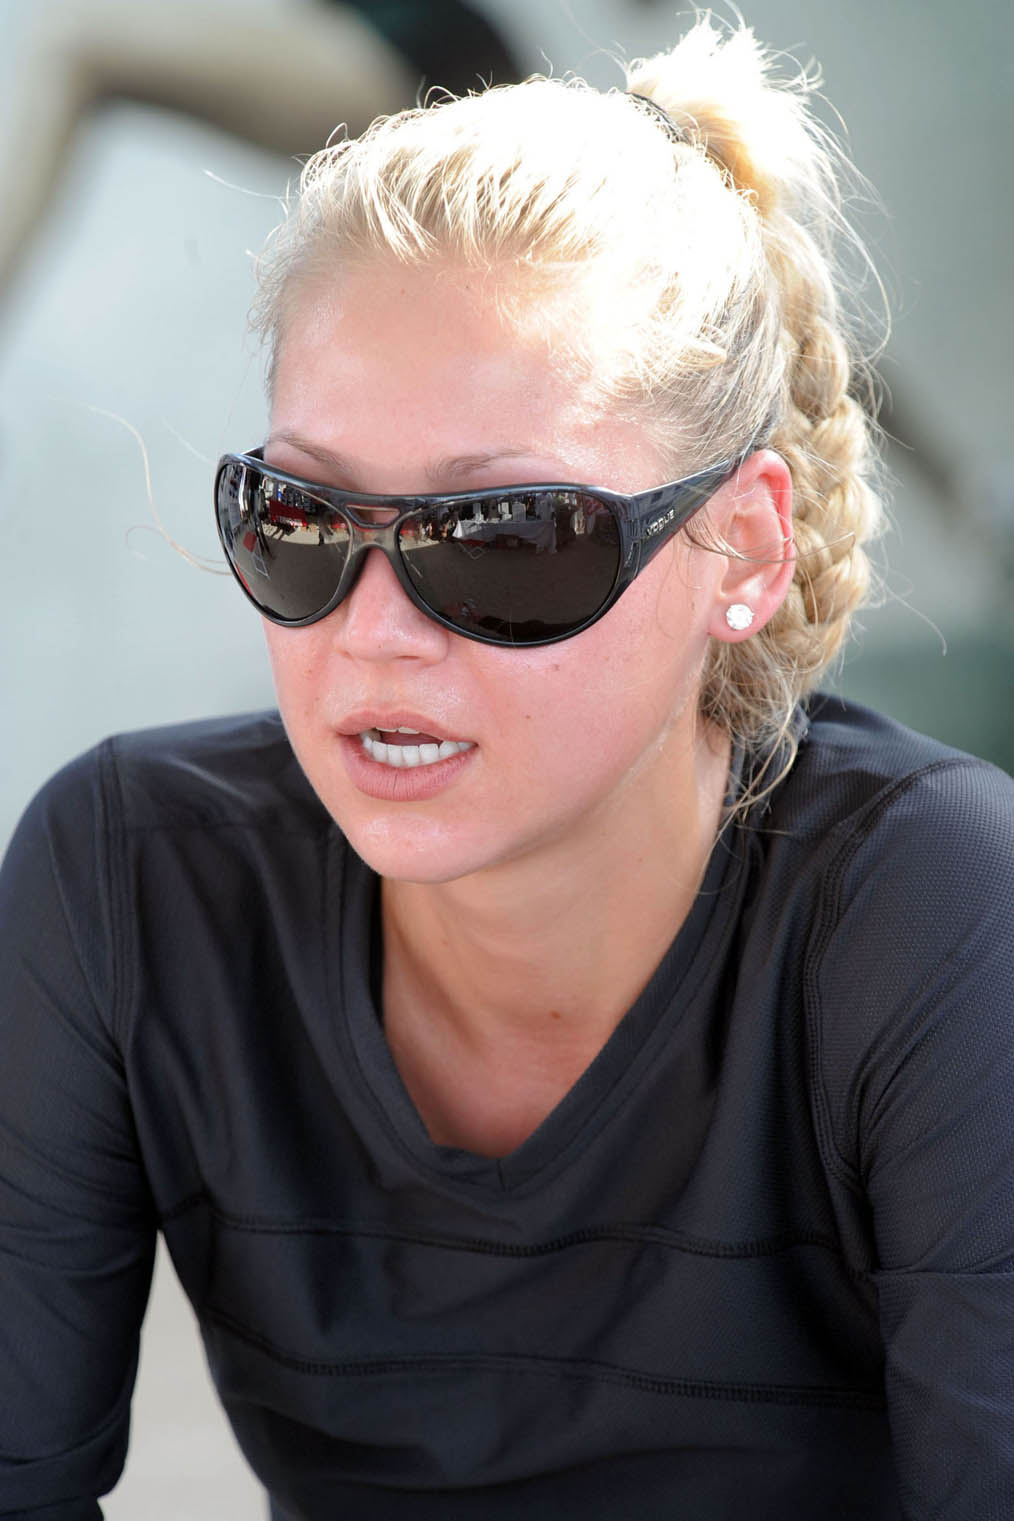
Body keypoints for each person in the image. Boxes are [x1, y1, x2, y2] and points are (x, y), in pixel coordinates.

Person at [2, 17, 1013, 1520]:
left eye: (507, 538)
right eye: (302, 521)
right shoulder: (130, 877)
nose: (375, 633)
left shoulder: (934, 911)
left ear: (742, 546)